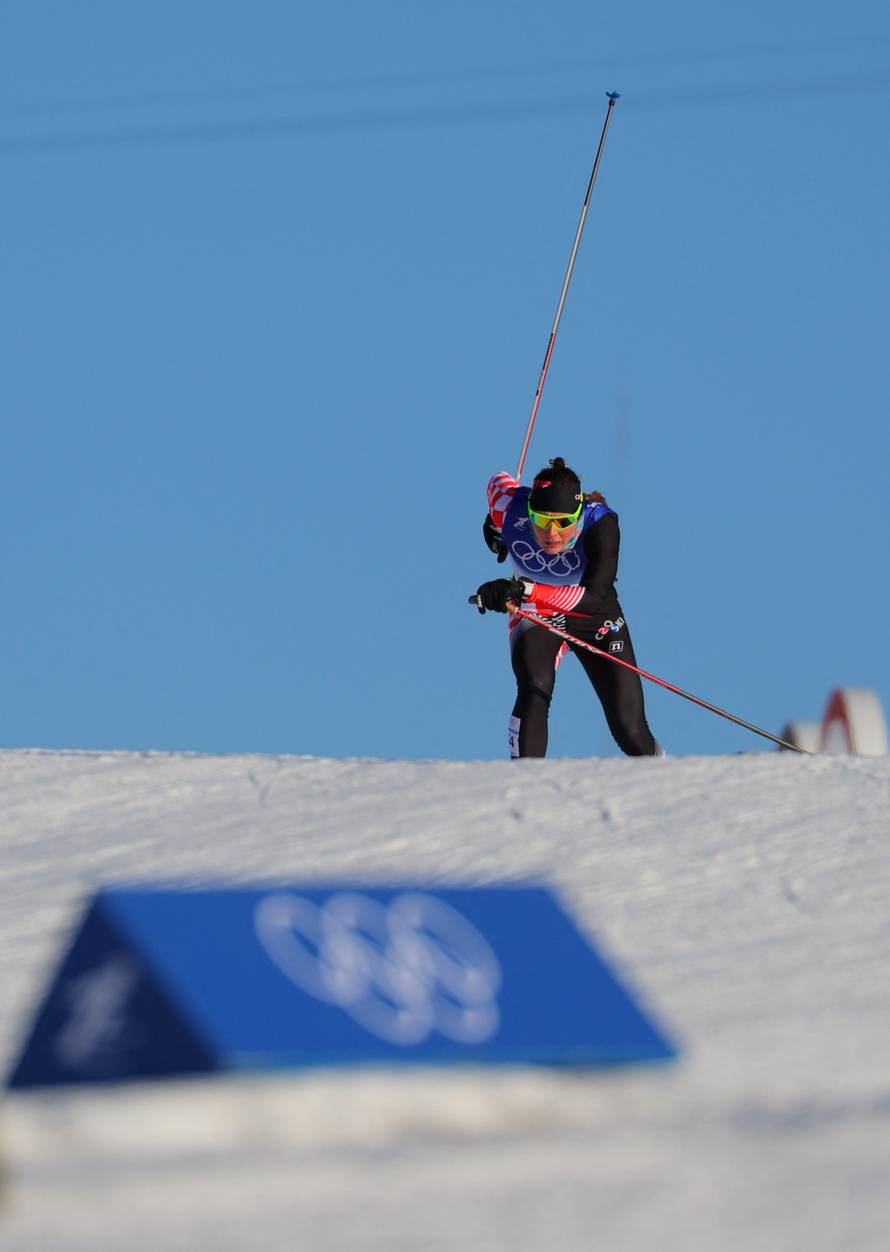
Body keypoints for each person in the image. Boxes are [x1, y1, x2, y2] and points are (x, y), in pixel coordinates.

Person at [474, 456, 661, 759]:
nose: (551, 533)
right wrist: (494, 525)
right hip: (537, 612)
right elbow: (499, 478)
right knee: (535, 685)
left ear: (578, 514)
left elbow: (592, 599)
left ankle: (668, 785)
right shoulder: (507, 506)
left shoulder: (601, 524)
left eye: (563, 523)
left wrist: (522, 589)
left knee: (630, 729)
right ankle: (525, 782)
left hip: (592, 612)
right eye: (541, 520)